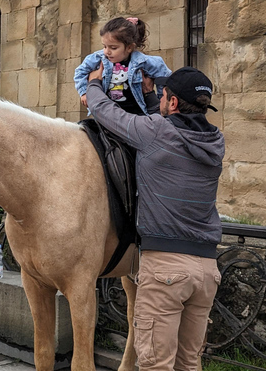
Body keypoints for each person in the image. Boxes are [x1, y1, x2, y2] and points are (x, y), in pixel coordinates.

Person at [86, 65, 225, 371]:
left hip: (166, 270)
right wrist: (151, 96)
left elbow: (107, 113)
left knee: (155, 364)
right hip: (206, 271)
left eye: (165, 96)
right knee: (188, 363)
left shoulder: (156, 132)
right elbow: (170, 131)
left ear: (173, 103)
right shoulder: (216, 141)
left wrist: (93, 84)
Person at [74, 17, 171, 115]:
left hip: (137, 114)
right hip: (108, 113)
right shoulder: (98, 58)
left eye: (113, 48)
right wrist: (84, 92)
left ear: (129, 47)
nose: (107, 51)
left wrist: (160, 100)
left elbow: (164, 74)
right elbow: (80, 71)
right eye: (104, 46)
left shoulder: (142, 61)